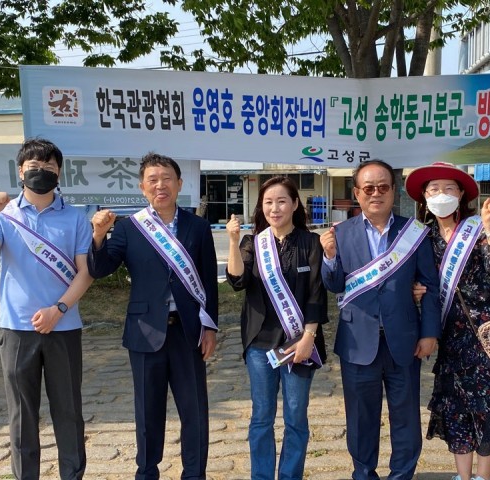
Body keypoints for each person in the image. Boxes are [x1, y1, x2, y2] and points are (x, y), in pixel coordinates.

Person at [87, 152, 218, 480]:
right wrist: (99, 236)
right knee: (148, 412)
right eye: (153, 180)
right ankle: (146, 472)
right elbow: (100, 269)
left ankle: (194, 474)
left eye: (167, 179)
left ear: (179, 184)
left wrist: (211, 327)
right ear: (142, 187)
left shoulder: (198, 227)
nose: (161, 185)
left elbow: (207, 283)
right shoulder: (130, 228)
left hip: (188, 333)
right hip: (145, 332)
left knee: (195, 411)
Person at [320, 159, 441, 480]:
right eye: (369, 188)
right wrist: (329, 258)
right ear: (357, 193)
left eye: (383, 187)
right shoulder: (340, 234)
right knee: (361, 418)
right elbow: (333, 285)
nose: (376, 194)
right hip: (358, 342)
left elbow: (430, 287)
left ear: (393, 191)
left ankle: (402, 474)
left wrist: (430, 333)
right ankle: (363, 473)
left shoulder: (414, 233)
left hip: (404, 341)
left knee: (406, 418)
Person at [405, 162, 490, 480]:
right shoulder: (420, 237)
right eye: (433, 189)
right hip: (450, 336)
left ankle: (482, 476)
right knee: (455, 405)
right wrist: (415, 291)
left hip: (486, 333)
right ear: (424, 197)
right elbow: (415, 281)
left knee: (489, 404)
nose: (441, 194)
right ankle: (462, 475)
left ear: (462, 194)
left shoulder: (477, 229)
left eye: (449, 188)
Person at [0, 138, 93, 479]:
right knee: (22, 415)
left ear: (60, 173)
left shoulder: (76, 217)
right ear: (20, 171)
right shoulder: (4, 217)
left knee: (68, 412)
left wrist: (59, 309)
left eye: (49, 168)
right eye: (34, 167)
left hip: (63, 328)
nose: (41, 173)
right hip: (16, 329)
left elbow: (85, 272)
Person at [225, 176, 328, 480]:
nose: (275, 207)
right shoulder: (253, 243)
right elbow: (237, 281)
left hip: (299, 343)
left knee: (296, 417)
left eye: (282, 200)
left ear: (295, 204)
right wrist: (233, 242)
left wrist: (309, 336)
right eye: (268, 202)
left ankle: (290, 475)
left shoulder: (310, 242)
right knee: (261, 417)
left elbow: (316, 293)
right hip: (260, 343)